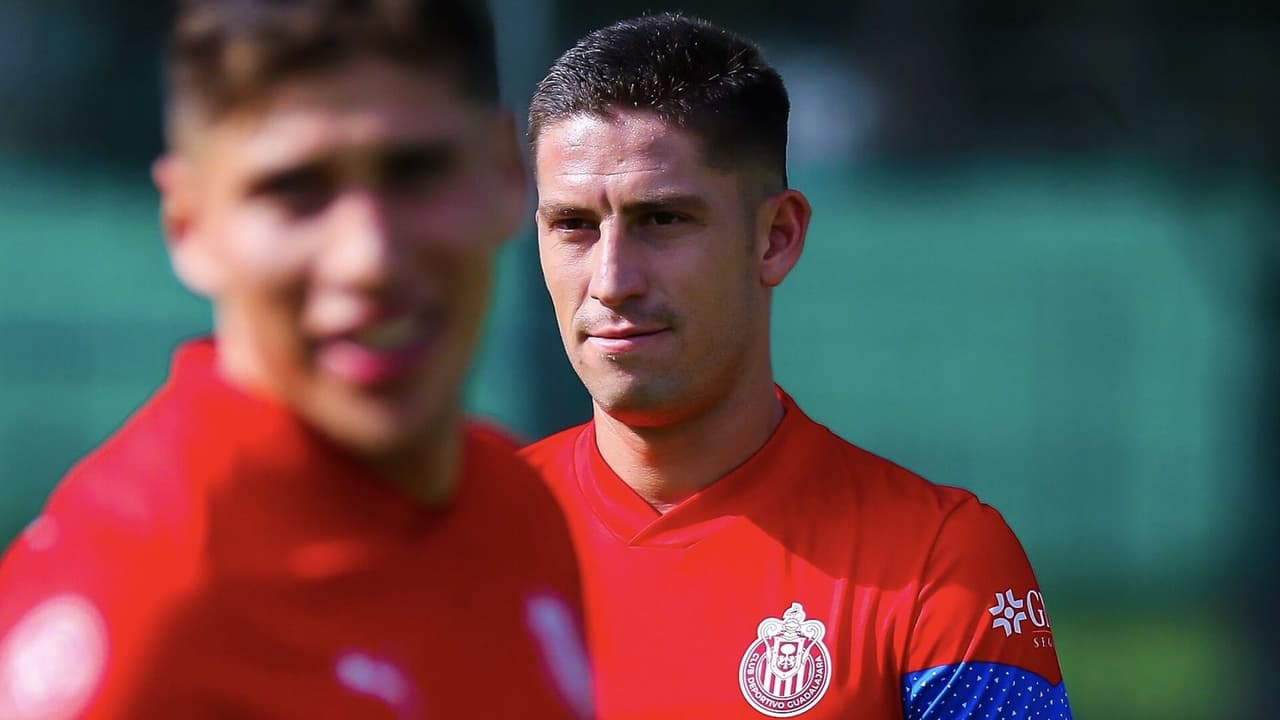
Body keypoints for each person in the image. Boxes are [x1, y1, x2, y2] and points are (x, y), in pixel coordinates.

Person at [0, 1, 591, 718]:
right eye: (295, 189)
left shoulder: (519, 510)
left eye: (415, 172)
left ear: (505, 174)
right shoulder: (141, 598)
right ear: (188, 224)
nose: (369, 257)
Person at [522, 12, 1070, 719]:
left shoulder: (939, 564)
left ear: (776, 237)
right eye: (573, 225)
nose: (611, 280)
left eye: (662, 219)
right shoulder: (460, 541)